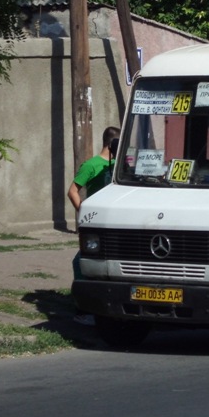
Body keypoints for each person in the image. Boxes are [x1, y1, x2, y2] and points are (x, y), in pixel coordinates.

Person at [67, 126, 119, 325]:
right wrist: (83, 213)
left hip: (115, 221)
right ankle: (83, 309)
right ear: (111, 143)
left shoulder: (120, 165)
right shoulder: (91, 165)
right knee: (81, 262)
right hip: (97, 221)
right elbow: (73, 191)